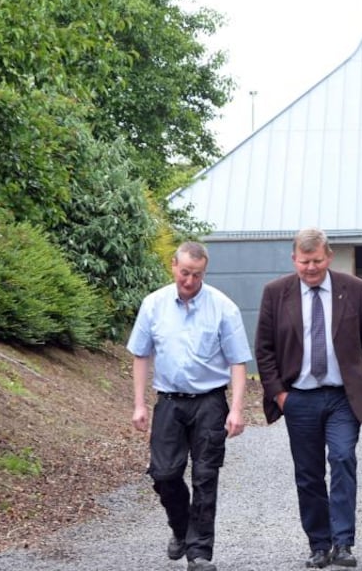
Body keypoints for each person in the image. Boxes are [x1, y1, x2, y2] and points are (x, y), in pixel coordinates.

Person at [255, 227, 362, 569]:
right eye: (304, 262)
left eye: (317, 261)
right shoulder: (276, 293)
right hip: (299, 399)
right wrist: (279, 395)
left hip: (342, 397)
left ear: (329, 257)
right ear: (294, 259)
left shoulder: (353, 289)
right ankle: (319, 544)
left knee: (343, 457)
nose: (310, 268)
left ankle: (343, 542)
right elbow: (264, 349)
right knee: (308, 473)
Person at [128, 241, 252, 571]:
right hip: (169, 401)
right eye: (184, 273)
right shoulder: (153, 305)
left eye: (197, 275)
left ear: (204, 272)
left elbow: (238, 361)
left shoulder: (223, 308)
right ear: (173, 267)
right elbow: (141, 354)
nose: (189, 281)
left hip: (210, 403)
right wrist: (139, 404)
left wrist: (237, 409)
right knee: (164, 474)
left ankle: (199, 553)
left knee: (205, 477)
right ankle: (181, 529)